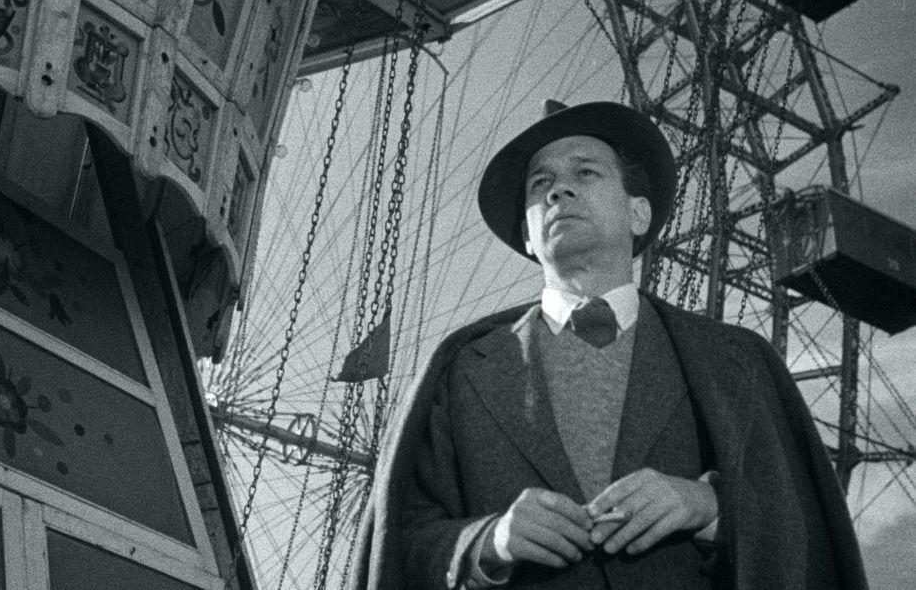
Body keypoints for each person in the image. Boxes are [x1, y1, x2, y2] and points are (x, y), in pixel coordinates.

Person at [349, 101, 867, 589]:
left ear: (639, 214)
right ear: (527, 235)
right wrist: (489, 541)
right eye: (540, 183)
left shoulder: (737, 361)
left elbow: (806, 528)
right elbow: (398, 546)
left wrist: (708, 505)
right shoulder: (459, 371)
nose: (558, 191)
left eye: (586, 173)